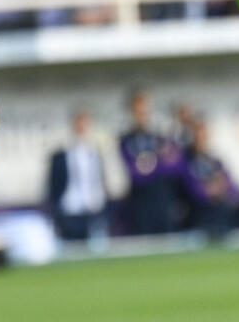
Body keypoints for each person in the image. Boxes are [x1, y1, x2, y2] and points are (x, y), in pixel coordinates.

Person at [119, 89, 183, 235]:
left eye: (144, 110)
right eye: (137, 111)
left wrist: (150, 164)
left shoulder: (160, 136)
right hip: (140, 201)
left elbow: (175, 166)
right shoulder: (126, 140)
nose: (141, 115)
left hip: (162, 198)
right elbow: (134, 173)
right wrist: (158, 161)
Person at [47, 110, 108, 241]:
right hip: (70, 211)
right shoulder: (60, 156)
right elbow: (53, 186)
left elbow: (101, 181)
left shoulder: (95, 153)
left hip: (93, 210)